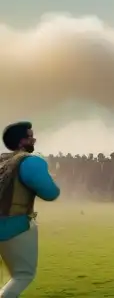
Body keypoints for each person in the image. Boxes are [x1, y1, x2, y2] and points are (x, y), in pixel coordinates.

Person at [0, 121, 60, 296]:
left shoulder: (2, 160)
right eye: (30, 136)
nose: (34, 139)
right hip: (14, 225)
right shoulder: (30, 161)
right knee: (23, 275)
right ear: (21, 141)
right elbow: (51, 193)